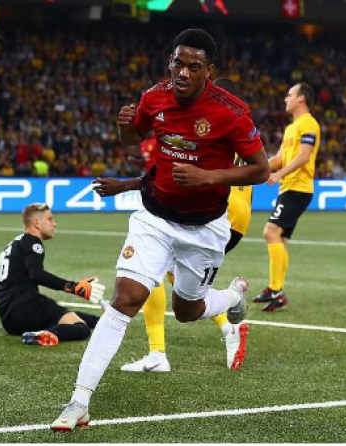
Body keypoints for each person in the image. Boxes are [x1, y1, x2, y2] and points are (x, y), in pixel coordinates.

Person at [50, 29, 269, 432]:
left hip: (205, 228)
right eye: (177, 63)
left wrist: (207, 177)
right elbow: (134, 139)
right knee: (125, 300)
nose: (183, 73)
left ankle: (233, 296)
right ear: (170, 62)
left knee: (187, 311)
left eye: (193, 67)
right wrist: (125, 126)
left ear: (208, 71)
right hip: (154, 218)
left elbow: (261, 169)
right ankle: (79, 401)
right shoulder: (154, 97)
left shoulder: (231, 111)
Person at [93, 78, 252, 373]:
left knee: (151, 269)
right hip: (238, 218)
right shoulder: (242, 126)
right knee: (174, 277)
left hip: (210, 215)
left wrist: (124, 185)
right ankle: (225, 322)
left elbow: (170, 178)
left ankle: (158, 353)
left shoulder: (210, 123)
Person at [0, 203, 106, 346]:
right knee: (81, 328)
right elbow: (37, 275)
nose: (54, 224)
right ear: (37, 223)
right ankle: (46, 334)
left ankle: (104, 321)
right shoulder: (33, 242)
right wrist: (74, 287)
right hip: (27, 308)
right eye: (50, 219)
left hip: (10, 321)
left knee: (69, 314)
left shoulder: (11, 248)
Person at [252, 83, 320, 311]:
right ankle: (276, 291)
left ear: (301, 98)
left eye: (290, 95)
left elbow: (304, 156)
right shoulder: (292, 128)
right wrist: (256, 168)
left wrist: (279, 174)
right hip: (289, 188)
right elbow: (280, 158)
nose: (285, 99)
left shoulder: (309, 123)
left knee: (270, 231)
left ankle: (275, 289)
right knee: (279, 239)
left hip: (298, 188)